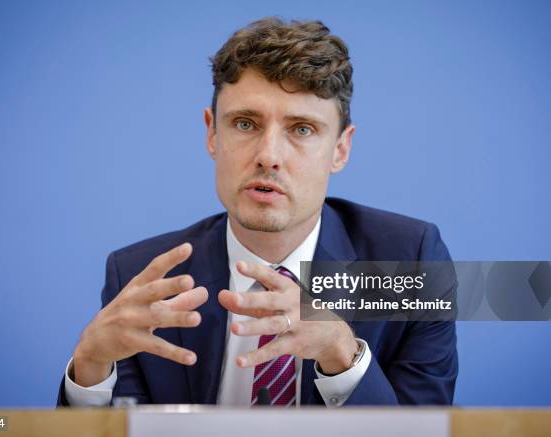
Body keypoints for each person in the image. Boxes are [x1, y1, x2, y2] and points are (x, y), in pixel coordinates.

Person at [57, 17, 457, 408]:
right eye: (245, 124)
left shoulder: (411, 264)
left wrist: (342, 352)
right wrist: (90, 371)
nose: (269, 156)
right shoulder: (141, 274)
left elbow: (423, 428)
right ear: (212, 133)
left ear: (340, 149)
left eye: (302, 129)